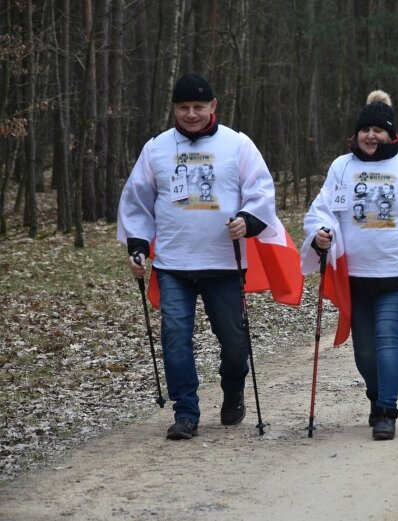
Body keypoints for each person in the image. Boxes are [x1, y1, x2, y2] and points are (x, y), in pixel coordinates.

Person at [117, 72, 281, 440]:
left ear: (213, 106)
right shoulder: (156, 148)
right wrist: (139, 246)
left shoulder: (237, 145)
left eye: (198, 106)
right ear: (174, 108)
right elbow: (138, 202)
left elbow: (260, 190)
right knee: (175, 336)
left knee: (235, 344)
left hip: (223, 264)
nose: (191, 114)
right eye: (183, 107)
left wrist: (248, 220)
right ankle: (186, 412)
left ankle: (233, 387)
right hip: (174, 265)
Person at [301, 90, 398, 441]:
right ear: (356, 134)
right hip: (355, 276)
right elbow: (324, 209)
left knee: (387, 339)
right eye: (365, 130)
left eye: (378, 130)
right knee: (365, 351)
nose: (371, 136)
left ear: (391, 134)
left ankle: (387, 409)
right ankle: (375, 392)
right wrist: (321, 234)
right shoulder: (342, 167)